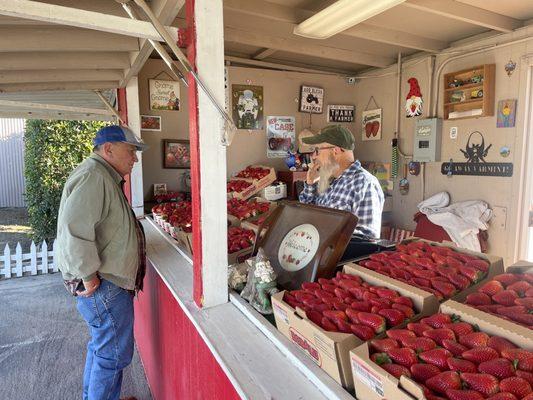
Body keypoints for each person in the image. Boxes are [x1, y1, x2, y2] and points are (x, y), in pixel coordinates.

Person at [56, 125, 148, 400]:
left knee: (102, 351)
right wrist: (88, 276)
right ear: (109, 149)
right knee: (112, 357)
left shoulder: (101, 175)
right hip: (105, 286)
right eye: (131, 151)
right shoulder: (94, 176)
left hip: (105, 284)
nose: (135, 158)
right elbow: (74, 231)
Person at [299, 125, 385, 260]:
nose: (314, 156)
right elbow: (307, 213)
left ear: (336, 151)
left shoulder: (364, 183)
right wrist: (310, 184)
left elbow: (367, 240)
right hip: (318, 256)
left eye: (318, 150)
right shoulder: (329, 180)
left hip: (341, 265)